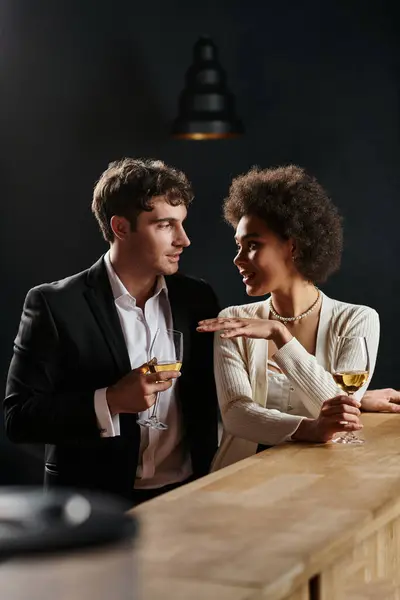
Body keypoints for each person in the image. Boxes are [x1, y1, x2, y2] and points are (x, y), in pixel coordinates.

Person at [4, 158, 219, 505]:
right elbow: (19, 419)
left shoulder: (198, 298)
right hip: (94, 505)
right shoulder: (54, 304)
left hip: (189, 497)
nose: (184, 240)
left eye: (181, 224)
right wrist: (112, 401)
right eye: (165, 225)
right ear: (121, 227)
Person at [197, 165, 392, 471]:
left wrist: (281, 336)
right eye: (238, 246)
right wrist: (310, 428)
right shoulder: (233, 320)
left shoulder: (357, 320)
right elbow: (236, 416)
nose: (238, 259)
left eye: (252, 245)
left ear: (293, 245)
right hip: (238, 480)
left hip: (321, 480)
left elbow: (340, 418)